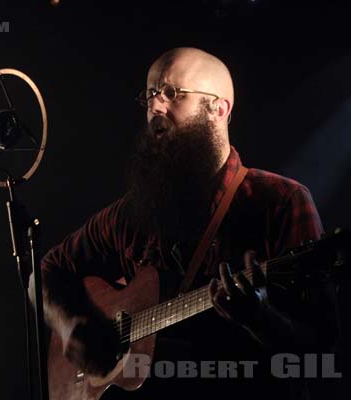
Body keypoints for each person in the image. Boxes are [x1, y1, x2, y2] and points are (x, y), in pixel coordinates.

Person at [36, 47, 338, 399]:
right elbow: (44, 272)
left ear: (219, 109)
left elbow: (322, 350)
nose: (156, 108)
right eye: (149, 95)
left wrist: (261, 320)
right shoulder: (130, 215)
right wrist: (72, 325)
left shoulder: (281, 201)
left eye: (171, 94)